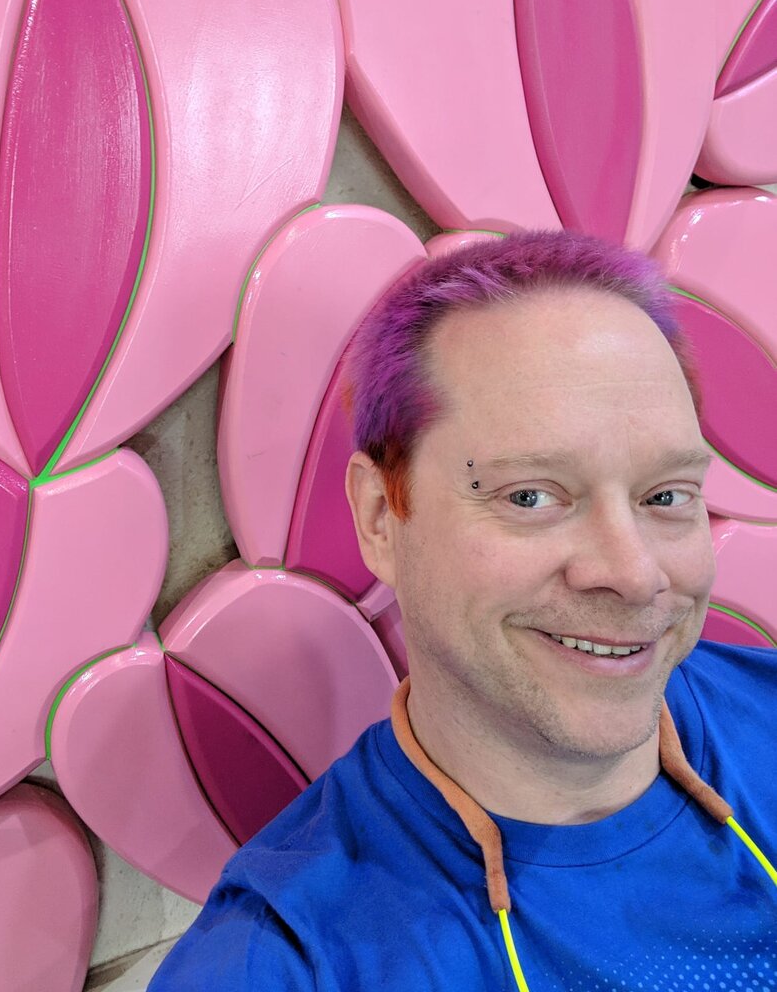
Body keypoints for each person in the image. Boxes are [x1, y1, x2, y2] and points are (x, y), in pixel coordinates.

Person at [151, 231, 777, 990]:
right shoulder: (287, 961)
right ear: (382, 517)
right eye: (531, 496)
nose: (634, 574)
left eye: (666, 495)